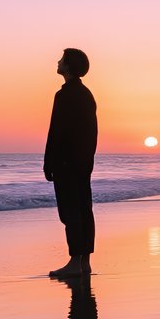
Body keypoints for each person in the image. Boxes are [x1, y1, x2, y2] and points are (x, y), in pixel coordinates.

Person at [44, 48, 98, 277]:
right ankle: (83, 262)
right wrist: (86, 160)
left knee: (71, 212)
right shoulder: (86, 94)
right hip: (82, 162)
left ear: (69, 65)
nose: (57, 61)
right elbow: (92, 133)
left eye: (62, 59)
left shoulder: (65, 94)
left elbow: (56, 131)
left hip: (67, 163)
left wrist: (50, 163)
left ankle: (76, 263)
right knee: (83, 210)